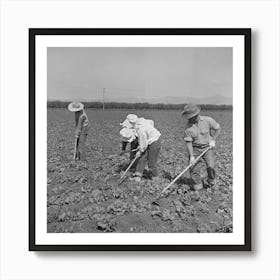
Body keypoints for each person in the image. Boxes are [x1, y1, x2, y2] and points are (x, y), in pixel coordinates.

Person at [182, 104, 221, 190]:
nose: (190, 119)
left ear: (196, 115)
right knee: (194, 168)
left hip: (207, 147)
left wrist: (213, 140)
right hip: (195, 148)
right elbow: (188, 142)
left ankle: (211, 181)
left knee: (211, 166)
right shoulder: (188, 128)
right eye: (188, 117)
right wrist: (192, 156)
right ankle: (198, 184)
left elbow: (218, 129)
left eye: (192, 117)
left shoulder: (208, 120)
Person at [127, 116, 161, 182]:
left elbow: (143, 142)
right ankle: (138, 177)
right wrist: (141, 147)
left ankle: (156, 178)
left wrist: (140, 151)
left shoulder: (141, 129)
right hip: (148, 141)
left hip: (155, 142)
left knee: (151, 162)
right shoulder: (140, 122)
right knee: (142, 158)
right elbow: (151, 122)